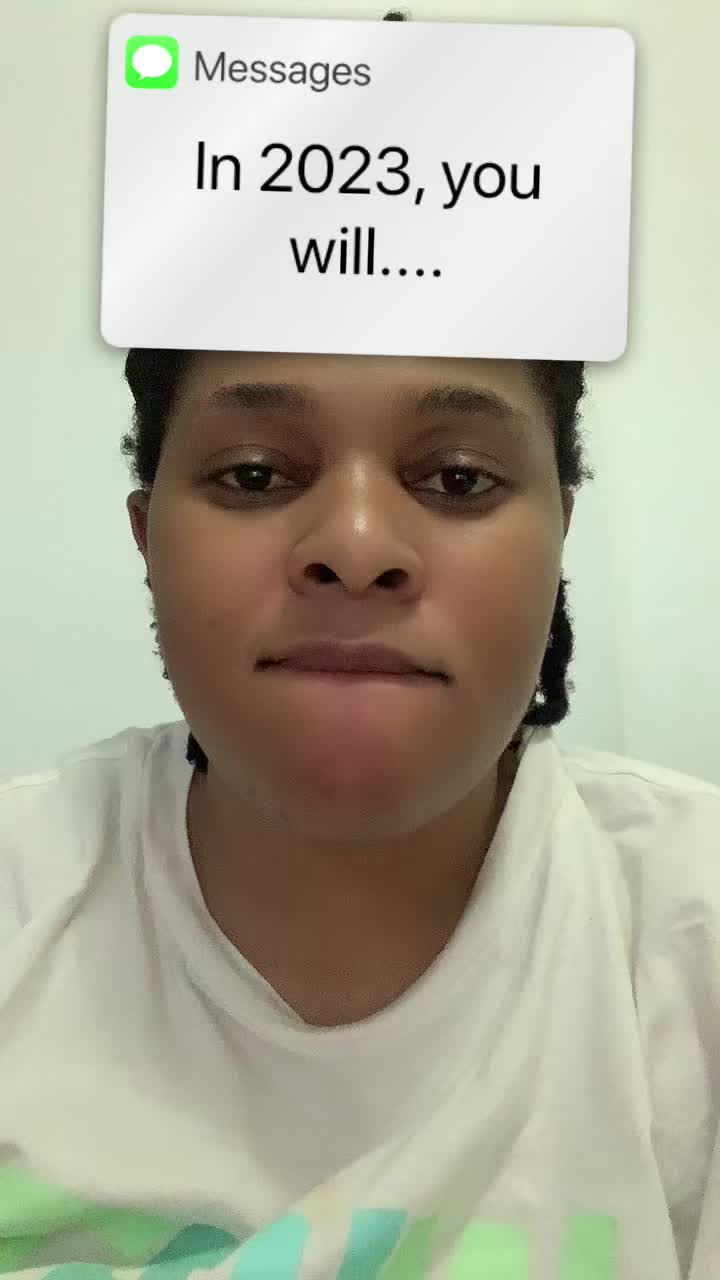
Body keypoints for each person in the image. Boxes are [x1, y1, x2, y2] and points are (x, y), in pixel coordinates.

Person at [1, 343, 719, 1280]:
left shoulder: (693, 921)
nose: (356, 546)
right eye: (253, 474)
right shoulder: (23, 892)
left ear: (559, 538)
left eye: (459, 478)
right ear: (147, 539)